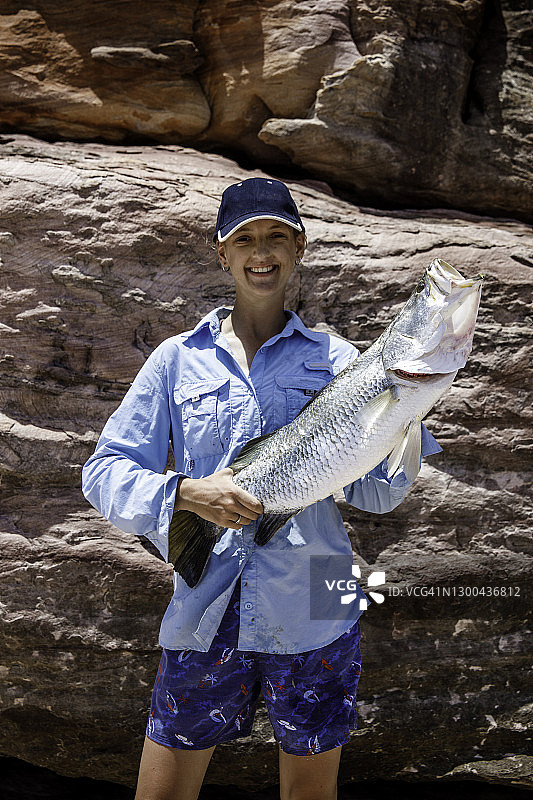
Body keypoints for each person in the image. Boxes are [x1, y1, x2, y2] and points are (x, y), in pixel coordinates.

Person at [82, 177, 441, 800]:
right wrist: (190, 495)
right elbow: (104, 471)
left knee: (309, 792)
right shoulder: (175, 359)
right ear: (221, 253)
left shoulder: (340, 359)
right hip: (205, 603)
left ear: (299, 247)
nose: (262, 251)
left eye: (278, 235)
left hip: (319, 600)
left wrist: (411, 406)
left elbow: (377, 496)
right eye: (245, 238)